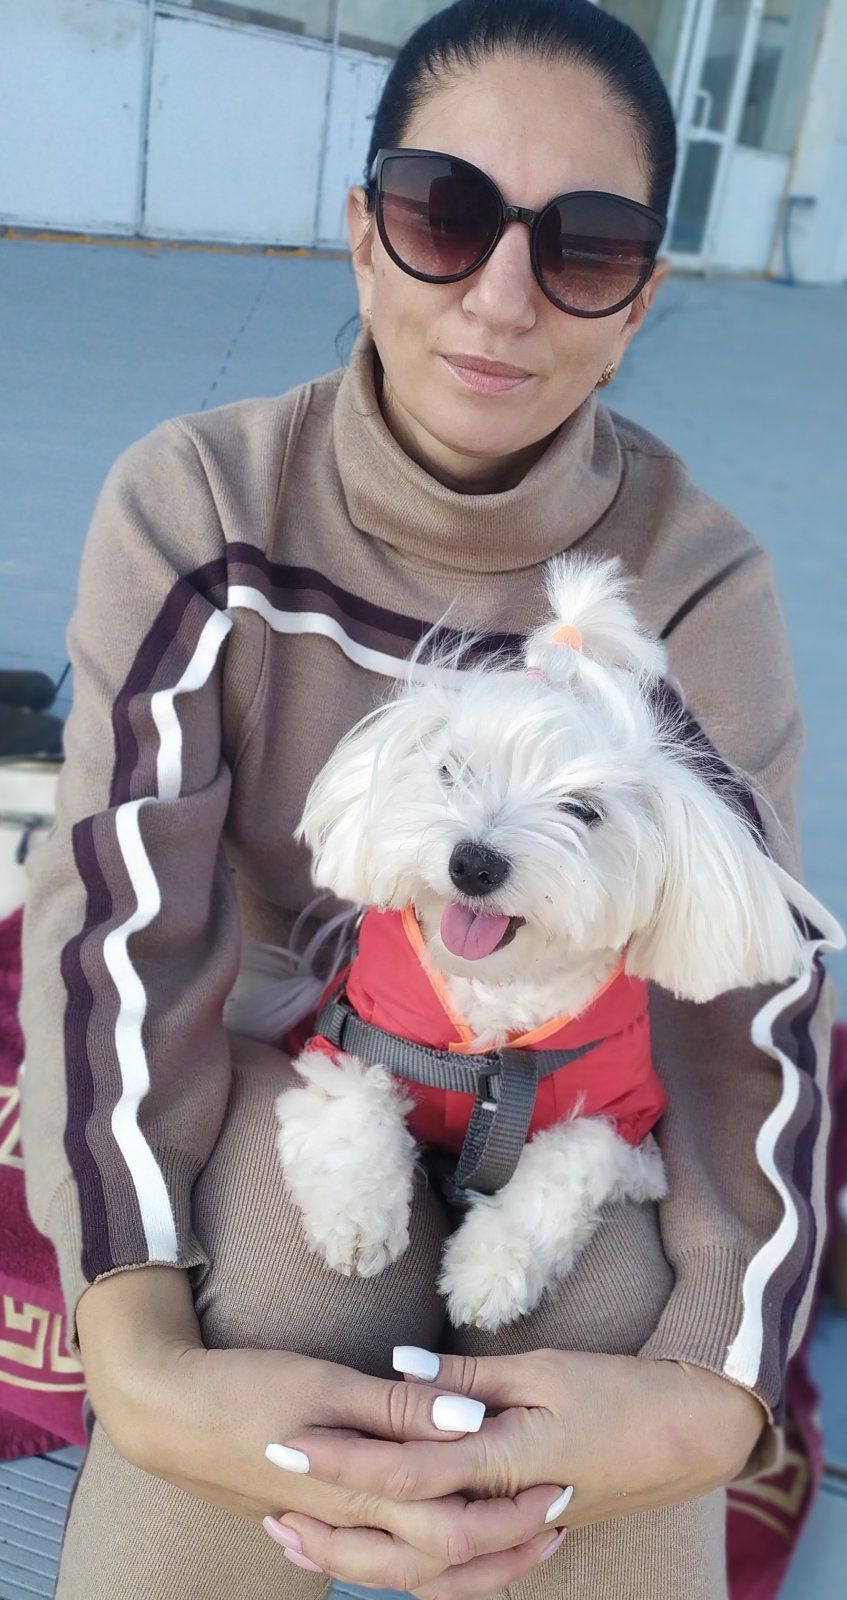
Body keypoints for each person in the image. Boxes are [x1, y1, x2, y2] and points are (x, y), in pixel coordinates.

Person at [19, 3, 836, 1598]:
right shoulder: (201, 501)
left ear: (639, 302)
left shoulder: (699, 580)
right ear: (364, 235)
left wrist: (709, 1397)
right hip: (314, 1053)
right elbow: (120, 931)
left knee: (617, 1326)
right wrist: (136, 1342)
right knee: (280, 1293)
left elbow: (756, 1011)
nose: (503, 297)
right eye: (445, 215)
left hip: (585, 1100)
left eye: (586, 248)